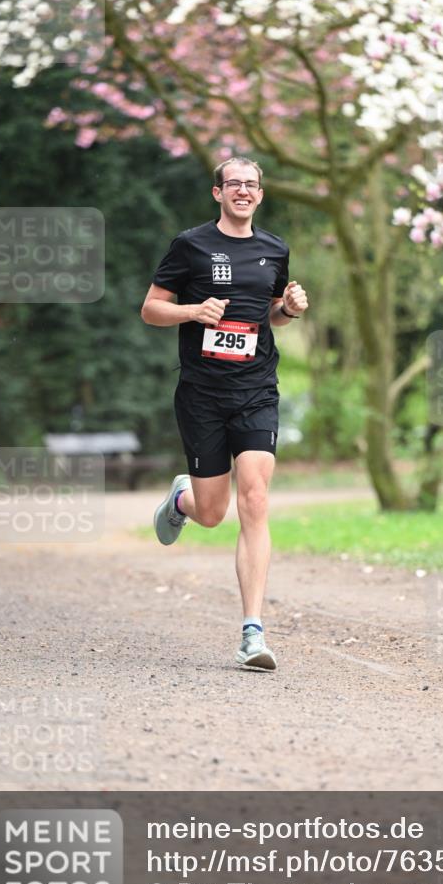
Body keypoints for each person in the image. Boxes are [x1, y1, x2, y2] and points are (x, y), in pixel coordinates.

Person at [141, 157, 308, 671]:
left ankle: (252, 633)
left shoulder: (274, 249)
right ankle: (182, 499)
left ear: (260, 195)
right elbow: (151, 309)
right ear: (218, 193)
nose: (243, 191)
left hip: (256, 388)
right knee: (213, 513)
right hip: (202, 394)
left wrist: (292, 309)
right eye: (233, 183)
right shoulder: (190, 246)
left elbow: (271, 314)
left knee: (255, 496)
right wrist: (193, 311)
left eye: (251, 185)